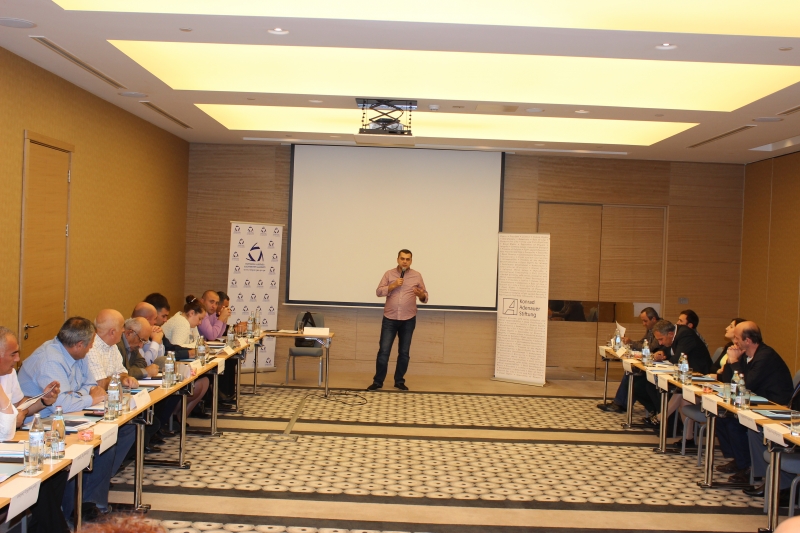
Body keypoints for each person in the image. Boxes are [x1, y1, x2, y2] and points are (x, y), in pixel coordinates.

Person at [18, 317, 134, 522]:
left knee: (122, 431)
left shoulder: (77, 354)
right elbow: (61, 404)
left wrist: (79, 396)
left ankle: (90, 501)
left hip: (68, 415)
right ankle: (71, 507)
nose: (91, 348)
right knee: (88, 444)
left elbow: (90, 385)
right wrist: (88, 398)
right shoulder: (50, 360)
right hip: (39, 423)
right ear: (79, 344)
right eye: (89, 344)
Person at [0, 326, 67, 533]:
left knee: (55, 471)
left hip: (8, 444)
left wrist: (44, 401)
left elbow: (21, 406)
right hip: (5, 444)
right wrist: (14, 419)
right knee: (38, 478)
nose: (17, 359)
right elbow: (9, 424)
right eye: (13, 354)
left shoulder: (9, 373)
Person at [716, 321, 793, 483]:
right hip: (756, 402)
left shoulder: (765, 356)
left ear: (748, 340)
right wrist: (731, 362)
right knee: (722, 417)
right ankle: (740, 460)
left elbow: (746, 384)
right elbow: (729, 382)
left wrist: (734, 362)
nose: (734, 342)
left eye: (737, 338)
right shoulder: (746, 355)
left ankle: (748, 468)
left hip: (776, 406)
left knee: (735, 424)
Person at [367, 249, 428, 392]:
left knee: (404, 353)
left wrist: (420, 295)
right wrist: (392, 286)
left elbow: (425, 297)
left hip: (408, 319)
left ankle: (399, 381)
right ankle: (378, 382)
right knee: (384, 351)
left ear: (411, 261)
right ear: (397, 259)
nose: (405, 261)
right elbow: (378, 292)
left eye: (407, 259)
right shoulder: (389, 274)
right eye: (402, 258)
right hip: (390, 319)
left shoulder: (417, 276)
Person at [633, 318, 711, 426]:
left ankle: (666, 422)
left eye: (661, 339)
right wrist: (661, 352)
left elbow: (677, 359)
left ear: (670, 334)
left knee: (665, 390)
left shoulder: (685, 335)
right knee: (650, 386)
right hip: (685, 375)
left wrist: (665, 356)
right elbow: (669, 351)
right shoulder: (675, 334)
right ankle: (661, 418)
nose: (660, 343)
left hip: (700, 376)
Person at [597, 307, 659, 413]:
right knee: (630, 371)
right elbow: (643, 342)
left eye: (645, 321)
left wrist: (632, 343)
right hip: (648, 360)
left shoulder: (659, 328)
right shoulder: (650, 328)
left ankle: (621, 404)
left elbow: (651, 347)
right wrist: (631, 342)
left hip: (654, 363)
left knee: (632, 374)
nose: (643, 324)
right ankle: (620, 403)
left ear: (653, 319)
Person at [160, 296, 210, 419]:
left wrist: (199, 346)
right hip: (169, 363)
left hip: (178, 361)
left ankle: (180, 418)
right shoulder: (181, 322)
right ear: (191, 313)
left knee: (206, 381)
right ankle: (172, 417)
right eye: (199, 319)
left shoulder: (188, 322)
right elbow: (177, 346)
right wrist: (197, 348)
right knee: (196, 383)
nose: (200, 323)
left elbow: (198, 342)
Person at [86, 309, 139, 390]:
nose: (123, 330)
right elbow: (100, 384)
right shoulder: (91, 347)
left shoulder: (113, 345)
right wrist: (119, 380)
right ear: (112, 332)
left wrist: (126, 379)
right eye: (122, 327)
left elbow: (122, 372)